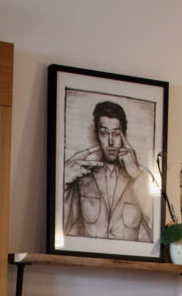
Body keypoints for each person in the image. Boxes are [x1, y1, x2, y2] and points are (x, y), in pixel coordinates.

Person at [63, 99, 153, 242]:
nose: (111, 142)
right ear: (97, 136)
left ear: (124, 136)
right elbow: (61, 228)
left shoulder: (140, 180)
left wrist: (137, 175)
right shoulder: (82, 179)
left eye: (116, 134)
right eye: (104, 133)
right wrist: (62, 181)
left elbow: (156, 232)